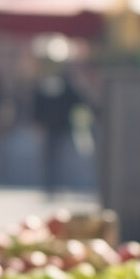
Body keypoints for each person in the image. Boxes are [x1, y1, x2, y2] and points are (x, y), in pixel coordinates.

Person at [33, 61, 89, 199]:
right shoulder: (45, 83)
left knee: (57, 158)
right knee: (50, 157)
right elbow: (38, 105)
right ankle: (50, 185)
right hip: (51, 127)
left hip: (61, 126)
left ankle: (55, 185)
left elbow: (77, 101)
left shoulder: (64, 83)